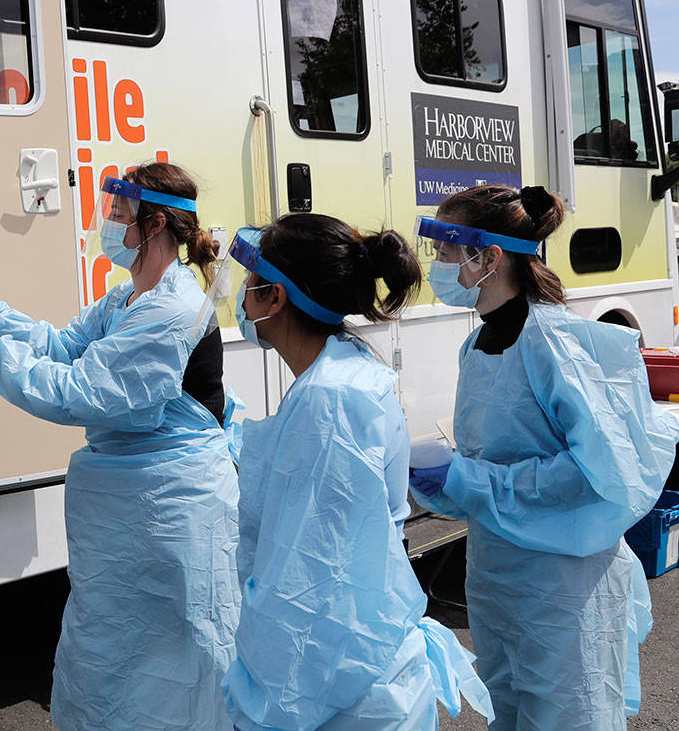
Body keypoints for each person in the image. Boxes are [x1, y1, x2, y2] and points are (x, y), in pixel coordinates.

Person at [0, 163, 240, 730]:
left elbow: (87, 391)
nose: (107, 222)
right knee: (112, 656)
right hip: (130, 516)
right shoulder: (129, 298)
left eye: (118, 213)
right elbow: (65, 346)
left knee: (174, 664)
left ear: (153, 225)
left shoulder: (171, 310)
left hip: (170, 512)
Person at [410, 184, 679, 729]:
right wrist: (447, 482)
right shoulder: (478, 344)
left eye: (445, 251)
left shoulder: (560, 345)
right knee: (507, 711)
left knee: (569, 715)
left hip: (561, 590)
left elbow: (599, 471)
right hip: (497, 575)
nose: (437, 266)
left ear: (489, 258)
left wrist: (470, 482)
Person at [217, 215, 493, 730]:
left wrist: (264, 699)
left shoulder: (331, 398)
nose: (241, 298)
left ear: (275, 299)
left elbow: (310, 580)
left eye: (249, 284)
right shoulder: (340, 373)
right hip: (359, 670)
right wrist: (236, 428)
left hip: (346, 687)